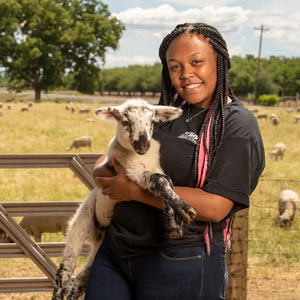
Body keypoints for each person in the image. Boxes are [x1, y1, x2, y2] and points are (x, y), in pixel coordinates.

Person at [84, 22, 265, 300]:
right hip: (116, 253)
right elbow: (122, 153)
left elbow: (217, 206)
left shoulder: (237, 124)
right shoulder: (167, 112)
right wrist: (102, 168)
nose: (185, 74)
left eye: (196, 62)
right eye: (174, 66)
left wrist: (132, 191)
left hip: (181, 259)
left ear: (220, 62)